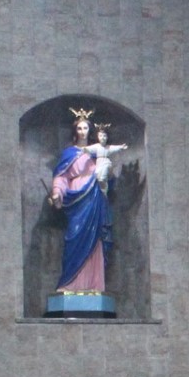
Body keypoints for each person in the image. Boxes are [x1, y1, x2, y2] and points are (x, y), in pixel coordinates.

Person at [50, 110, 113, 296]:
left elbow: (108, 180)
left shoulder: (97, 153)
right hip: (77, 202)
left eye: (86, 128)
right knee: (74, 237)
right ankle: (70, 283)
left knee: (95, 240)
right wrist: (57, 193)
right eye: (79, 128)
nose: (83, 132)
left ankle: (94, 285)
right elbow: (61, 177)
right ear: (75, 131)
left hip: (95, 199)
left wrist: (107, 176)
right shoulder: (70, 154)